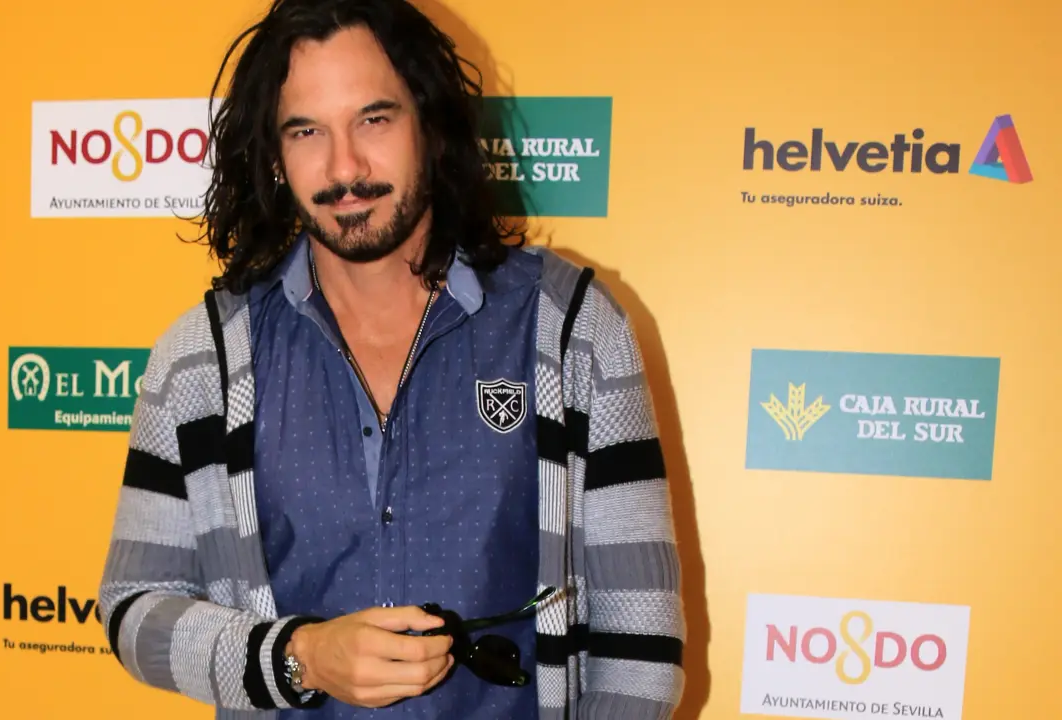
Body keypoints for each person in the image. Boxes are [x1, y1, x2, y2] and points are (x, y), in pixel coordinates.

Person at [97, 0, 686, 717]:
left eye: (373, 120)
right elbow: (134, 607)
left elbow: (641, 651)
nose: (344, 166)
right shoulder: (203, 359)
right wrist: (299, 655)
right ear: (274, 156)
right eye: (306, 131)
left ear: (429, 126)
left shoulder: (573, 331)